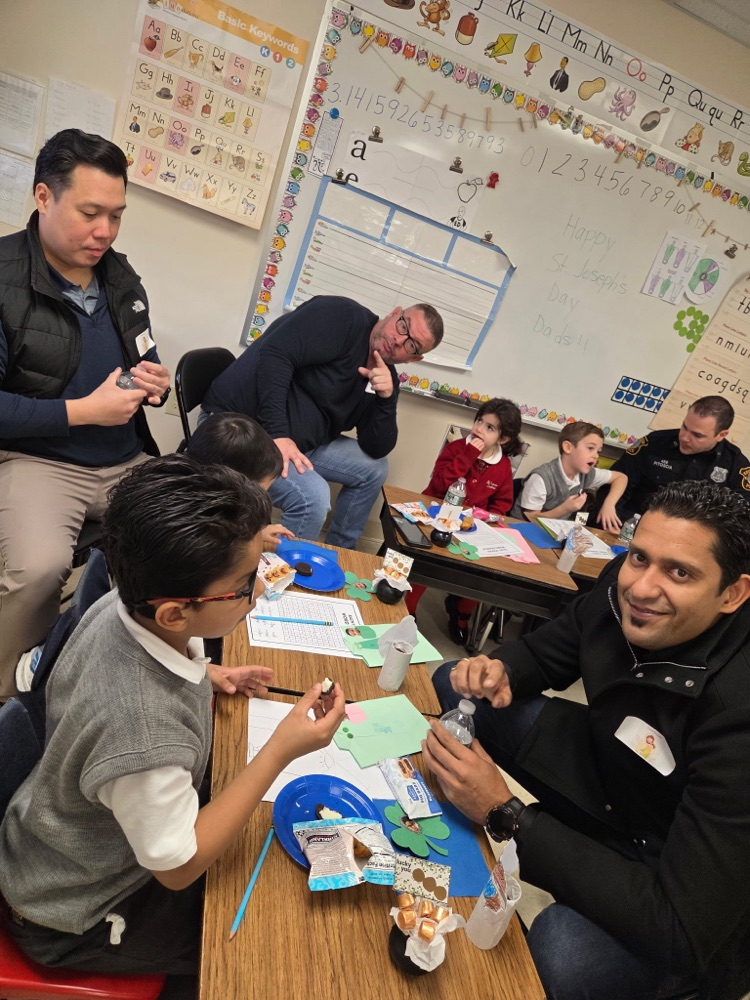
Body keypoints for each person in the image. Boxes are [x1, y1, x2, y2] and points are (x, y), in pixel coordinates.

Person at [0, 455, 345, 985]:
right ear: (175, 614)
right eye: (245, 584)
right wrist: (279, 749)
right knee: (252, 940)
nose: (257, 592)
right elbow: (179, 868)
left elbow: (126, 679)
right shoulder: (143, 734)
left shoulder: (122, 604)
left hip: (51, 838)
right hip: (71, 914)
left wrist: (209, 674)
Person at [423, 481, 750, 1000]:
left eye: (680, 573)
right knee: (455, 681)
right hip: (614, 776)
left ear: (732, 594)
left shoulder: (739, 711)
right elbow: (547, 652)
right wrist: (502, 670)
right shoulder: (621, 588)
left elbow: (681, 929)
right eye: (639, 557)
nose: (642, 588)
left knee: (562, 948)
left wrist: (505, 813)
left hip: (675, 874)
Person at [0, 128, 171, 700]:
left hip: (125, 459)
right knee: (38, 569)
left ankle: (122, 678)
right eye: (91, 213)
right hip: (40, 460)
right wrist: (82, 412)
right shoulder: (4, 278)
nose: (105, 232)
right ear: (43, 196)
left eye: (116, 216)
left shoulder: (120, 277)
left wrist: (154, 382)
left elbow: (145, 356)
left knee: (188, 542)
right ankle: (11, 695)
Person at [202, 295, 443, 548]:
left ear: (413, 359)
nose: (398, 340)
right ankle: (280, 570)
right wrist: (277, 434)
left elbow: (376, 448)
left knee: (375, 468)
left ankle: (340, 550)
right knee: (313, 498)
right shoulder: (341, 317)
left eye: (412, 345)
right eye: (403, 326)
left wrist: (387, 398)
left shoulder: (382, 375)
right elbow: (275, 353)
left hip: (300, 443)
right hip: (240, 429)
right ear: (394, 313)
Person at [405, 397, 524, 644]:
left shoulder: (503, 466)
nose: (479, 429)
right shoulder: (457, 448)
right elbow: (439, 484)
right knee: (427, 560)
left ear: (503, 439)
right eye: (479, 421)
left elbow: (502, 504)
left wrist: (484, 519)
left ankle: (461, 611)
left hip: (470, 528)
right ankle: (408, 609)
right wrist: (467, 456)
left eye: (489, 427)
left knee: (488, 571)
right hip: (435, 517)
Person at [594, 395, 750, 521]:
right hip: (631, 525)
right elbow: (617, 482)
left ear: (721, 435)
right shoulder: (654, 443)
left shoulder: (736, 466)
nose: (685, 438)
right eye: (684, 427)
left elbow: (741, 518)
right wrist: (613, 522)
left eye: (697, 435)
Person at [184, 411, 294, 550]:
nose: (262, 498)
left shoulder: (203, 497)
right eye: (259, 493)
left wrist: (256, 533)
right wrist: (250, 539)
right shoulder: (194, 535)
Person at [510, 420, 627, 532]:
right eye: (590, 448)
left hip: (552, 532)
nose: (596, 456)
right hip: (521, 530)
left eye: (598, 451)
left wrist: (609, 505)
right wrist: (564, 509)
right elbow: (531, 519)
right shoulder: (541, 477)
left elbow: (621, 478)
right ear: (568, 447)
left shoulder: (586, 474)